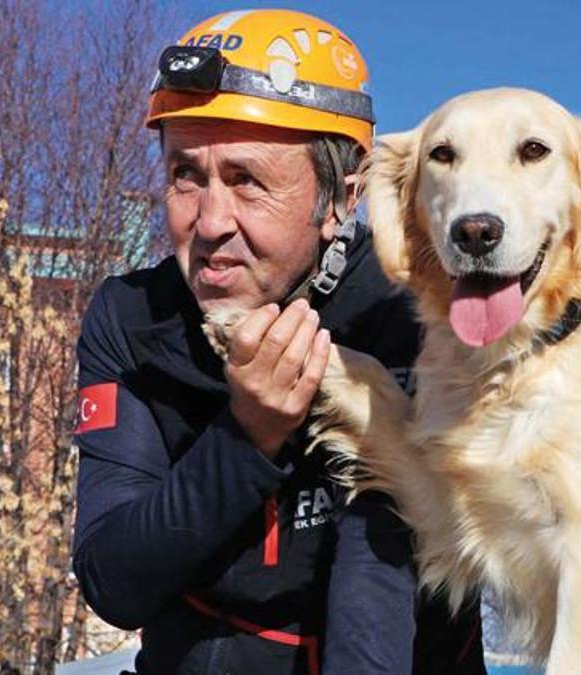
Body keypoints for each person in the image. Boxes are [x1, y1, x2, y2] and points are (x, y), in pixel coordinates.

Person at [71, 10, 485, 674]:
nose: (209, 222)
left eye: (246, 181)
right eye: (185, 174)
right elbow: (113, 580)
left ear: (341, 196)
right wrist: (246, 436)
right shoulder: (130, 318)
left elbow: (377, 573)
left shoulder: (409, 311)